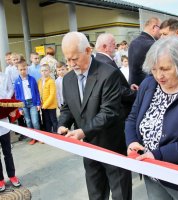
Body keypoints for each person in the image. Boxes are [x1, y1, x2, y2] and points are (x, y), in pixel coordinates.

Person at [57, 32, 132, 200]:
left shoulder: (108, 74)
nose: (71, 64)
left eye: (74, 59)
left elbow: (109, 111)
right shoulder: (68, 79)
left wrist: (82, 131)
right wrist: (63, 124)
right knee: (95, 194)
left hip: (112, 146)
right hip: (89, 148)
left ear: (88, 50)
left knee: (120, 194)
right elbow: (68, 108)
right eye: (67, 59)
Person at [125, 36, 178, 199]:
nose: (159, 76)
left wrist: (157, 155)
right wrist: (131, 141)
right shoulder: (148, 84)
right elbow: (132, 118)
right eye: (154, 69)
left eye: (165, 69)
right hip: (152, 174)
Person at [95, 33, 136, 118]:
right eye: (113, 44)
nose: (116, 47)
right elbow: (117, 89)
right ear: (105, 47)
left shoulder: (99, 60)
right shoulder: (106, 63)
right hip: (117, 111)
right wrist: (136, 94)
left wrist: (128, 87)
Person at [0, 71, 21, 192]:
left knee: (7, 152)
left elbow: (10, 92)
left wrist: (9, 107)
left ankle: (12, 175)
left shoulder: (4, 77)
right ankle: (0, 179)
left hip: (3, 122)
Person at [128, 17, 161, 87]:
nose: (161, 32)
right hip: (146, 88)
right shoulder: (153, 44)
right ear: (154, 27)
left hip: (133, 86)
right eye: (160, 28)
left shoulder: (133, 42)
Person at [14, 59, 41, 145]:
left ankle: (40, 137)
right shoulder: (17, 82)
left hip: (32, 103)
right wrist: (20, 108)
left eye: (24, 69)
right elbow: (17, 96)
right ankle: (33, 138)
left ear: (27, 69)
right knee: (28, 122)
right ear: (17, 70)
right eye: (21, 70)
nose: (23, 71)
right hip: (23, 104)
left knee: (35, 121)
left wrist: (38, 103)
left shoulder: (32, 79)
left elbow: (37, 92)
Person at [38, 64, 58, 133]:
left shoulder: (51, 81)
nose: (44, 72)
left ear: (49, 71)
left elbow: (52, 95)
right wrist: (40, 103)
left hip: (51, 106)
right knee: (46, 120)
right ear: (40, 72)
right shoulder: (40, 81)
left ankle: (56, 133)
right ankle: (48, 133)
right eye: (42, 71)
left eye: (46, 70)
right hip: (43, 106)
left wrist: (45, 105)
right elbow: (39, 93)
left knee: (53, 120)